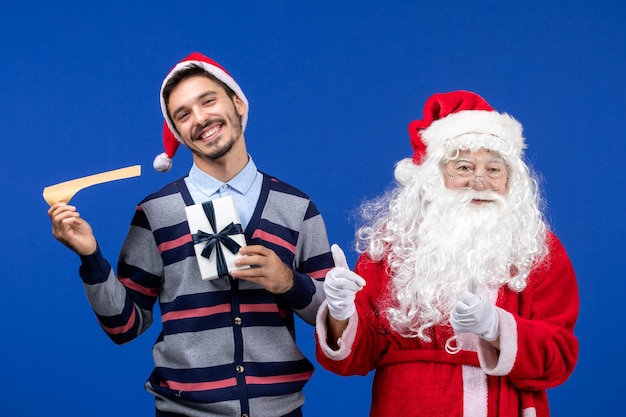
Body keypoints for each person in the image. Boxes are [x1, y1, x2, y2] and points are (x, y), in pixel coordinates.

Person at [48, 52, 334, 417]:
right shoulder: (156, 213)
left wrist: (287, 282)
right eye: (183, 114)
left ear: (237, 102)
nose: (200, 119)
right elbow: (124, 326)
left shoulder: (296, 206)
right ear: (177, 132)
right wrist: (90, 258)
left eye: (208, 100)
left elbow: (332, 314)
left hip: (281, 410)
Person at [316, 90, 579, 417]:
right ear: (435, 177)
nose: (480, 181)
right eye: (464, 167)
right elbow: (359, 356)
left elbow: (559, 357)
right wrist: (341, 313)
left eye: (494, 169)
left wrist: (497, 327)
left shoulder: (537, 247)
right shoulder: (394, 243)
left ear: (511, 178)